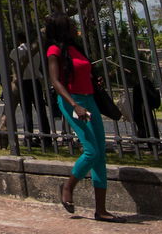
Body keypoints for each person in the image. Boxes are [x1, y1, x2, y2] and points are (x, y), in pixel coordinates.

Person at [45, 12, 117, 222]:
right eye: (69, 25)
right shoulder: (54, 50)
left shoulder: (75, 49)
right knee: (91, 150)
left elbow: (85, 70)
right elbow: (56, 82)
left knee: (100, 153)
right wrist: (75, 105)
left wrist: (95, 79)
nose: (73, 28)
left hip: (90, 100)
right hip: (72, 101)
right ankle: (68, 187)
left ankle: (101, 210)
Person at [9, 31, 51, 146]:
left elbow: (12, 59)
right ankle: (46, 136)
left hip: (24, 81)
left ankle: (28, 137)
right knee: (40, 109)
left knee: (26, 111)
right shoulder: (35, 51)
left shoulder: (17, 51)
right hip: (35, 81)